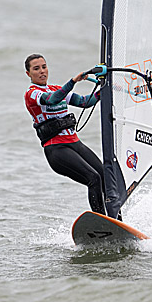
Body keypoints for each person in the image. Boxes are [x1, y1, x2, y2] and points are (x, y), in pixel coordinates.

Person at [23, 54, 108, 216]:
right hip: (57, 150)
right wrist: (73, 82)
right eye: (36, 69)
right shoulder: (32, 94)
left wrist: (104, 89)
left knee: (105, 176)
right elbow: (52, 100)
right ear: (28, 74)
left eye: (44, 66)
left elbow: (85, 102)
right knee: (93, 179)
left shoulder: (56, 88)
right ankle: (102, 220)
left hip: (75, 144)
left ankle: (116, 219)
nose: (42, 71)